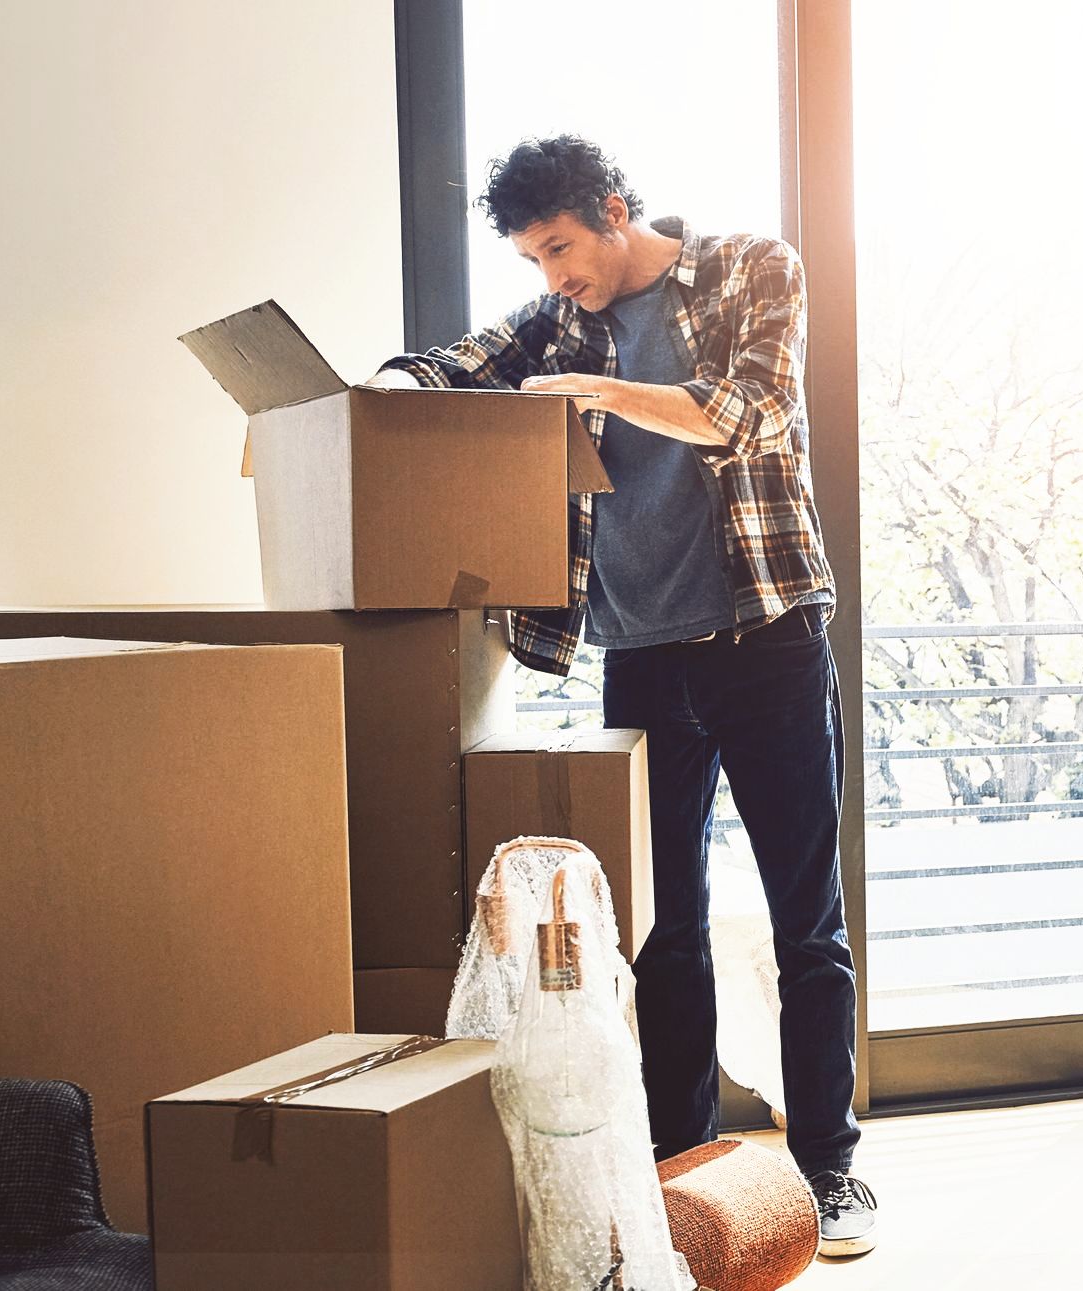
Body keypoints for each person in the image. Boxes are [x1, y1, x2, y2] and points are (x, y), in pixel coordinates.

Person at [371, 134, 876, 1257]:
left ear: (611, 209)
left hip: (767, 635)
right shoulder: (557, 318)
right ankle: (682, 1171)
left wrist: (594, 388)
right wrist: (385, 391)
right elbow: (451, 367)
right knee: (664, 931)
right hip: (640, 655)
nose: (553, 278)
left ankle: (830, 1169)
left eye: (560, 248)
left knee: (809, 922)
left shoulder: (752, 266)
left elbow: (748, 413)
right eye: (535, 261)